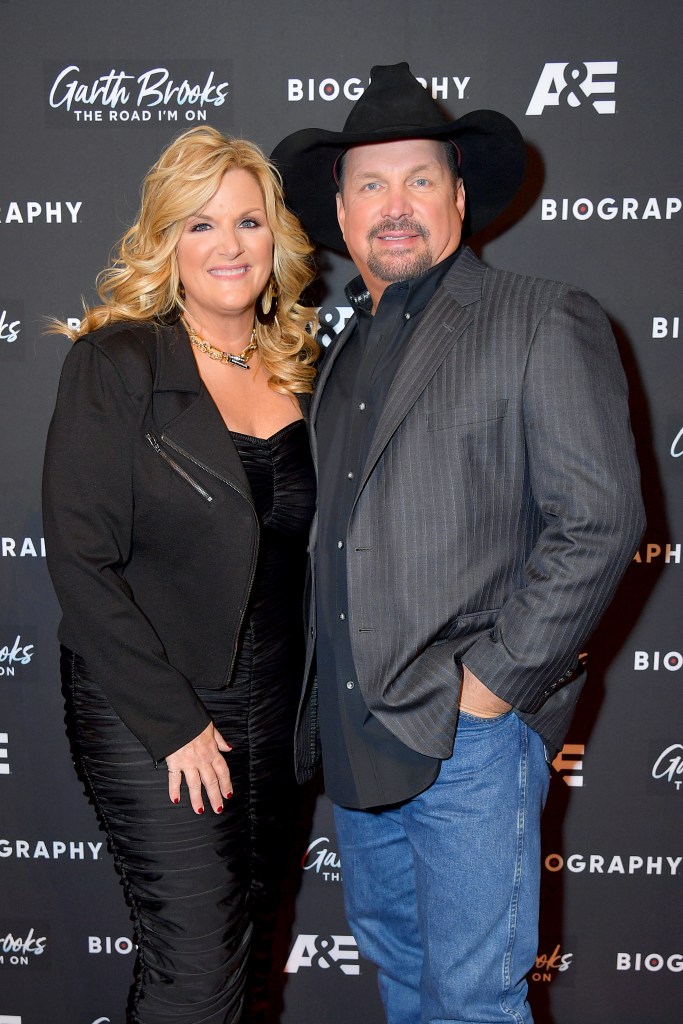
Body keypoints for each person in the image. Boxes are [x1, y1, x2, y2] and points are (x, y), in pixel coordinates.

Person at [272, 63, 645, 1024]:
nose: (394, 207)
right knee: (405, 984)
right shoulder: (337, 344)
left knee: (473, 1003)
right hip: (357, 744)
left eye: (420, 181)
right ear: (342, 215)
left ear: (460, 198)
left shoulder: (539, 317)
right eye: (370, 185)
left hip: (464, 740)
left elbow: (601, 519)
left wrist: (489, 692)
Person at [42, 125, 318, 1024]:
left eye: (247, 221)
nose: (228, 246)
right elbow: (82, 560)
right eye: (200, 225)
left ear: (276, 239)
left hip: (274, 716)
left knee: (248, 964)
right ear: (166, 241)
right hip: (152, 712)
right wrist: (175, 725)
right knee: (195, 975)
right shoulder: (117, 364)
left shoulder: (303, 374)